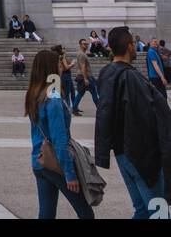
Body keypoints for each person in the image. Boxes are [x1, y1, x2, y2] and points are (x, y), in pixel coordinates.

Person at [95, 25, 171, 219]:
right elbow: (145, 119)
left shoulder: (106, 73)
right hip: (141, 155)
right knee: (158, 211)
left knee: (143, 211)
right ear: (130, 47)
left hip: (122, 153)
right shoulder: (130, 76)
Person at [26, 48, 94, 220]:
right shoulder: (53, 96)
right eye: (58, 62)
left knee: (46, 214)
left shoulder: (35, 92)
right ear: (50, 67)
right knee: (86, 213)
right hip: (55, 162)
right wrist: (70, 174)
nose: (62, 65)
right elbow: (59, 138)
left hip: (38, 159)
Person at [72, 40, 99, 113]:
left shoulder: (82, 53)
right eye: (84, 44)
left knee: (81, 93)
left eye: (87, 44)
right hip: (86, 76)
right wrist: (85, 79)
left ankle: (74, 108)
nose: (86, 45)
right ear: (80, 45)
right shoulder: (81, 54)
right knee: (94, 93)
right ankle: (100, 109)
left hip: (85, 76)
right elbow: (83, 66)